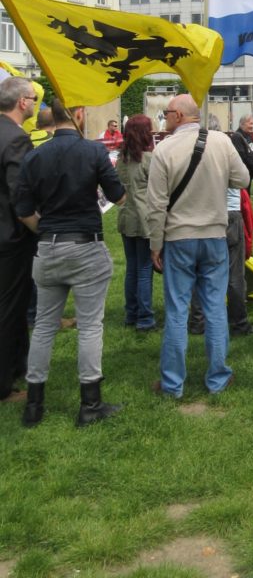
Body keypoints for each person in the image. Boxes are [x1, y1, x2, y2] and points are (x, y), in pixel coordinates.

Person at [15, 98, 126, 427]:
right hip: (85, 246)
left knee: (43, 327)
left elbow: (23, 211)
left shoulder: (34, 156)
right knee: (90, 326)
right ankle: (90, 404)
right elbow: (119, 196)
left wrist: (46, 231)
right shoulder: (92, 151)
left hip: (48, 248)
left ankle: (34, 404)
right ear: (79, 115)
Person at [146, 94, 249, 398]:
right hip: (215, 235)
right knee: (215, 307)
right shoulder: (221, 142)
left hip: (179, 238)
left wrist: (155, 244)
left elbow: (156, 206)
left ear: (178, 115)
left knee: (178, 310)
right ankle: (217, 377)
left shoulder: (164, 150)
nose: (164, 117)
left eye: (166, 112)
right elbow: (243, 179)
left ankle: (172, 384)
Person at [0, 77, 39, 405]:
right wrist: (40, 227)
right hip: (11, 238)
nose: (36, 103)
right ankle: (5, 384)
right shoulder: (16, 139)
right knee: (10, 310)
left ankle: (18, 366)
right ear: (22, 102)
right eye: (33, 97)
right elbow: (21, 196)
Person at [116, 115, 156, 332]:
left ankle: (131, 313)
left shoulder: (122, 158)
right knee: (144, 269)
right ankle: (145, 317)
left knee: (132, 268)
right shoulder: (149, 159)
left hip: (126, 216)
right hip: (144, 218)